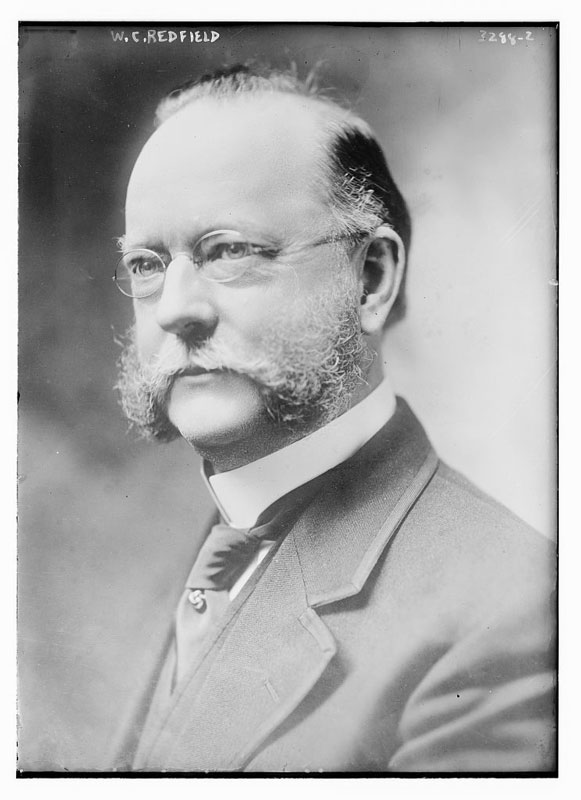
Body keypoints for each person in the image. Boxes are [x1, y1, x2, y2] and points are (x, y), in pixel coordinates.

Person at [109, 64, 555, 773]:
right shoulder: (150, 565)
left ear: (370, 278)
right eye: (146, 264)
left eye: (230, 251)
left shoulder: (515, 610)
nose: (174, 308)